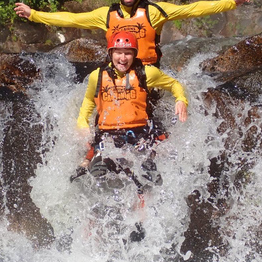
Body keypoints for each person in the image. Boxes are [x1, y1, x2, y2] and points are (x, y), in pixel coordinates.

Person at [73, 31, 188, 241]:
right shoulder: (97, 76)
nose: (122, 58)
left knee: (146, 176)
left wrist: (181, 100)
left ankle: (141, 225)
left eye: (127, 53)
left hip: (138, 135)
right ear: (111, 53)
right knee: (96, 175)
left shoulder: (147, 73)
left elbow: (174, 85)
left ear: (134, 54)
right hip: (107, 137)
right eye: (118, 53)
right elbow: (89, 101)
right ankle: (95, 229)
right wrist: (81, 123)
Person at [14, 0, 250, 66]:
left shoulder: (155, 11)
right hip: (117, 73)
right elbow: (72, 18)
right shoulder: (106, 14)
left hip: (147, 73)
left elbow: (193, 9)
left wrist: (231, 2)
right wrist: (34, 15)